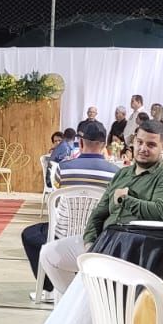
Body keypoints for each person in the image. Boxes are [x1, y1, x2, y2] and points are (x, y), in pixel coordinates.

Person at [37, 121, 163, 295]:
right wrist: (90, 242)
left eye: (151, 145)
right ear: (133, 141)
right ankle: (89, 300)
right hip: (104, 242)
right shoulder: (122, 173)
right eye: (139, 142)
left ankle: (92, 301)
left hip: (135, 250)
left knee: (90, 281)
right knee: (49, 254)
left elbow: (161, 212)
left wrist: (125, 200)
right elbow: (98, 213)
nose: (143, 148)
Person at [21, 119, 122, 292]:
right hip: (99, 236)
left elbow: (58, 198)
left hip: (64, 233)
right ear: (104, 145)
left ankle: (50, 286)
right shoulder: (116, 173)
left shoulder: (64, 168)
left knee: (30, 234)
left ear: (80, 143)